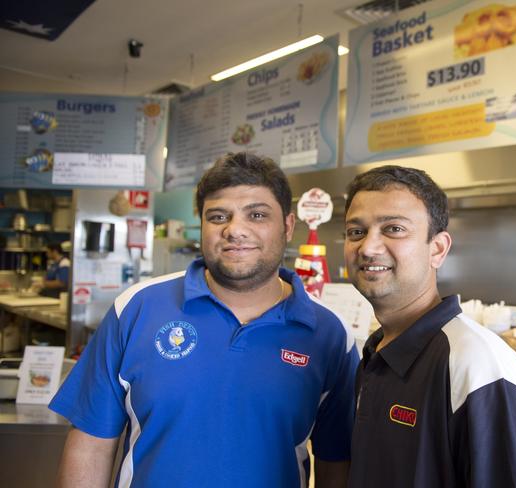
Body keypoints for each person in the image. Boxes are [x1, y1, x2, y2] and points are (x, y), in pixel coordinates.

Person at [50, 152, 359, 488]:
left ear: (287, 226)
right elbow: (92, 442)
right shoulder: (137, 309)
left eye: (256, 215)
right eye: (218, 216)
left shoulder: (329, 334)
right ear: (203, 226)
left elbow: (336, 459)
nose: (235, 230)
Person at [343, 166, 516, 487]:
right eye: (356, 232)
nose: (368, 248)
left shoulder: (479, 364)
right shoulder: (376, 352)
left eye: (393, 228)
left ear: (437, 249)